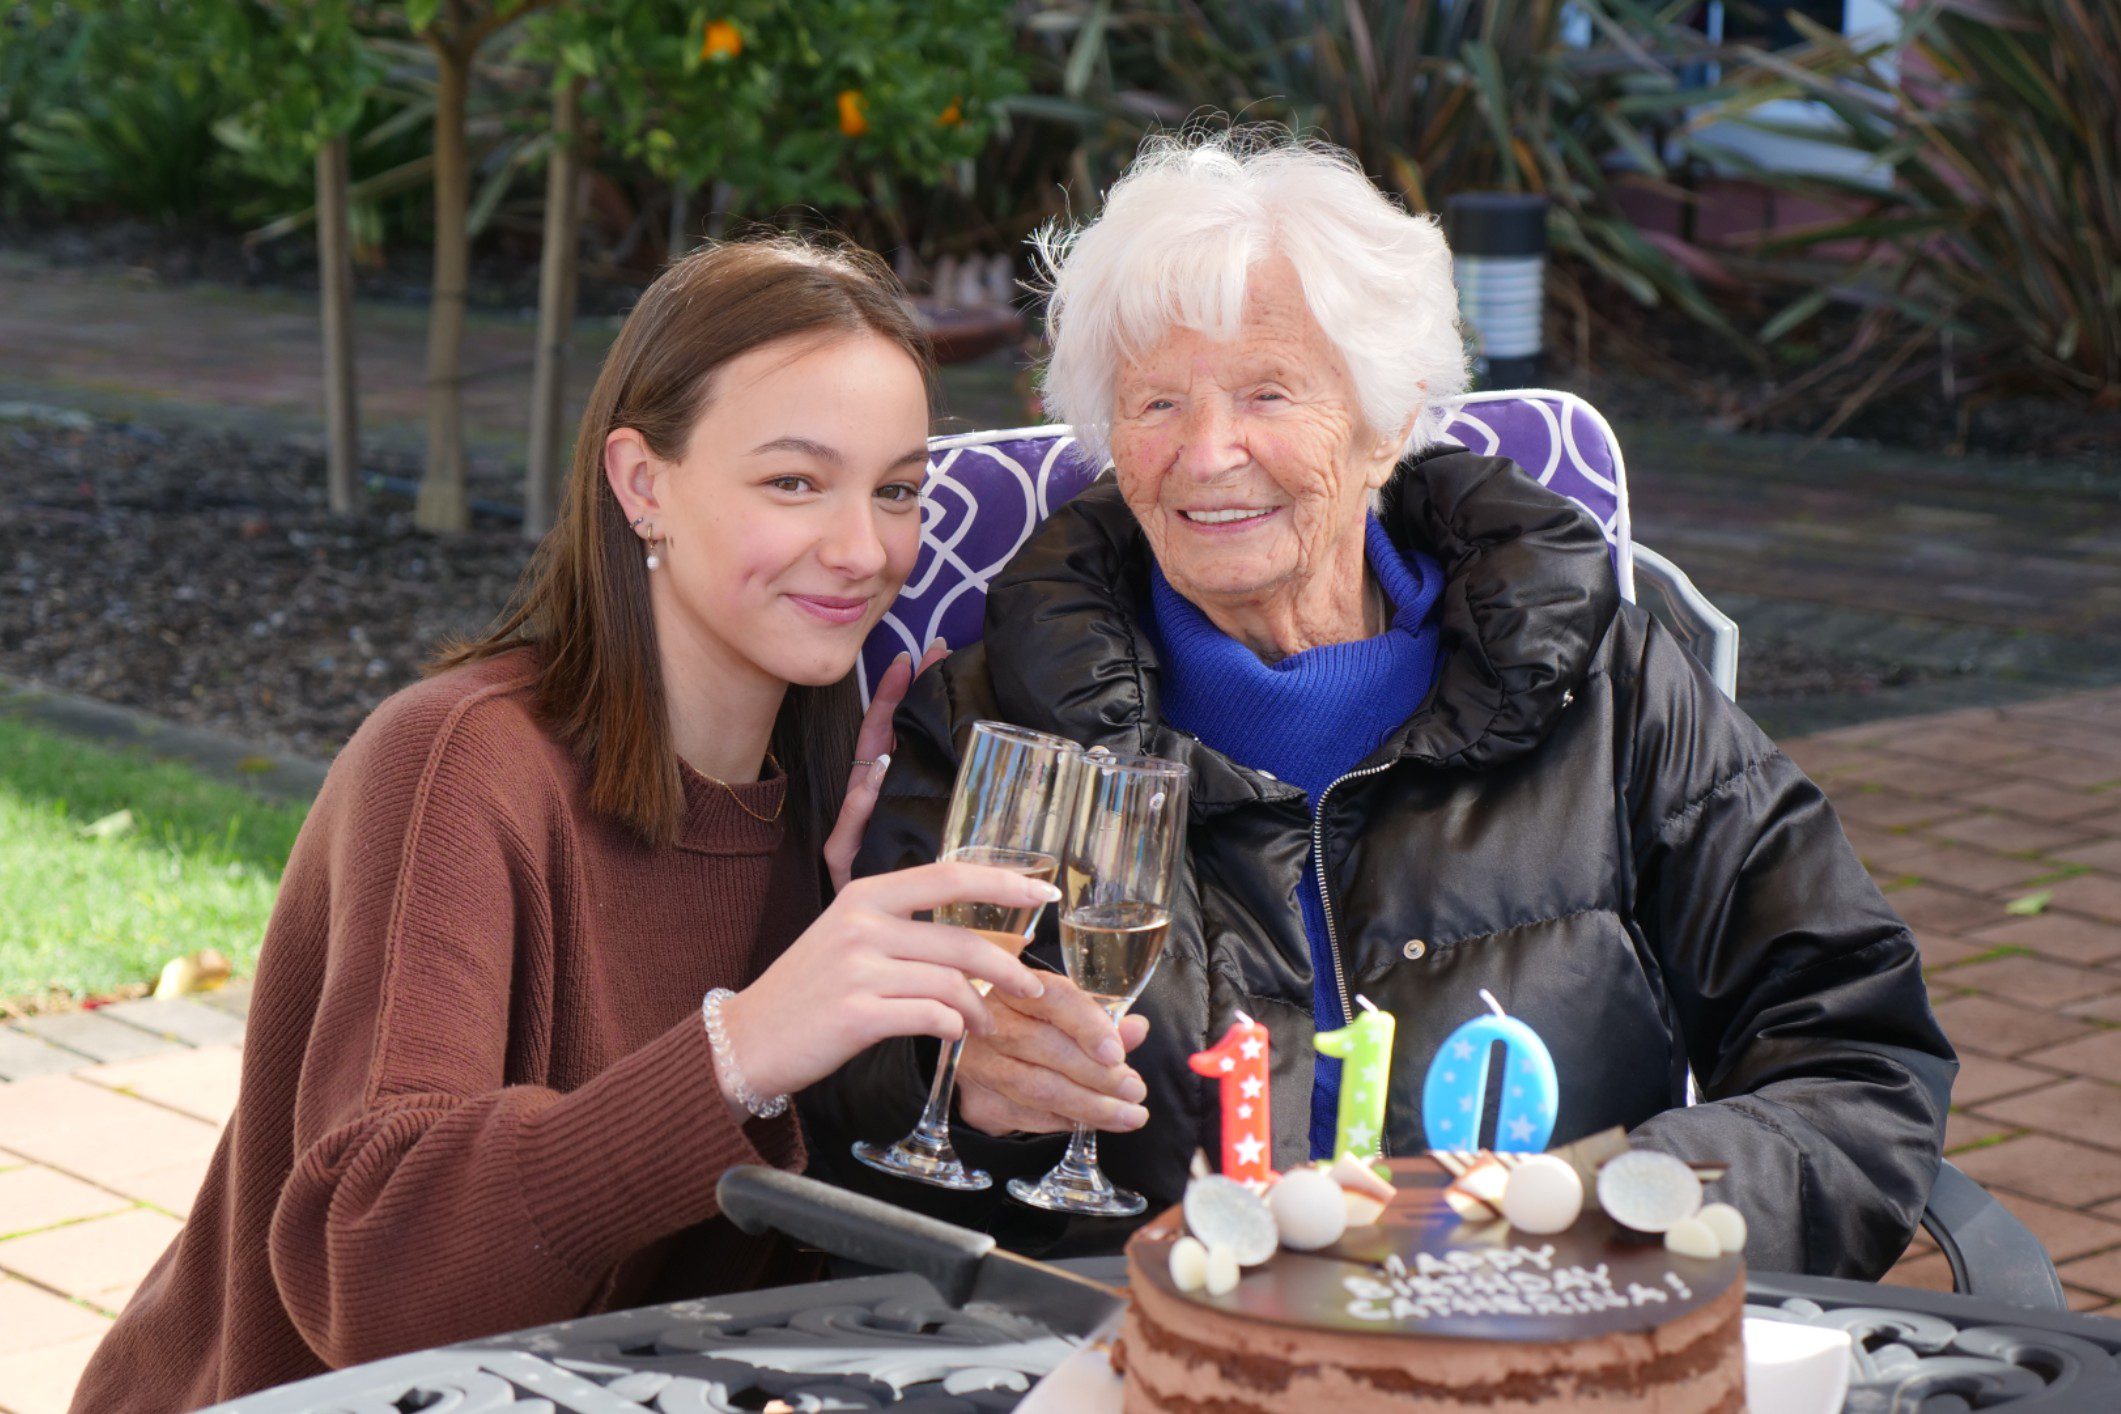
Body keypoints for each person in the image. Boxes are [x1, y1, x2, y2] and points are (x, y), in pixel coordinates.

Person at [803, 132, 1955, 1279]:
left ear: (1389, 420)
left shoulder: (1604, 681)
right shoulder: (995, 723)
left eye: (1269, 392)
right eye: (1156, 402)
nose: (1207, 456)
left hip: (1552, 1353)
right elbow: (864, 1130)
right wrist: (962, 1097)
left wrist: (1605, 1220)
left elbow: (1857, 1058)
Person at [70, 238, 1056, 1413]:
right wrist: (738, 1048)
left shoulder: (844, 793)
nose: (864, 549)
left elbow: (787, 1255)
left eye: (897, 489)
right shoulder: (457, 767)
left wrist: (946, 1083)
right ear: (643, 483)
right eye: (794, 482)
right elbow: (372, 1275)